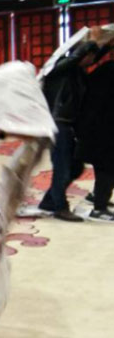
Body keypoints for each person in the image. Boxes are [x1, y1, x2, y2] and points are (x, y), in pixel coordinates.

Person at [39, 26, 114, 221]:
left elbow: (87, 59)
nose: (93, 61)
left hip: (69, 125)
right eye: (90, 56)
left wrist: (106, 46)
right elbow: (77, 58)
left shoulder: (77, 72)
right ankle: (60, 208)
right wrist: (94, 41)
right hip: (58, 124)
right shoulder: (60, 69)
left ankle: (48, 201)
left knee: (75, 167)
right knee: (62, 168)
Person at [76, 45, 114, 221]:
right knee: (107, 167)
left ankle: (97, 197)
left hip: (96, 127)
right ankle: (99, 207)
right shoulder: (109, 71)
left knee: (105, 166)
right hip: (104, 128)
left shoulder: (104, 69)